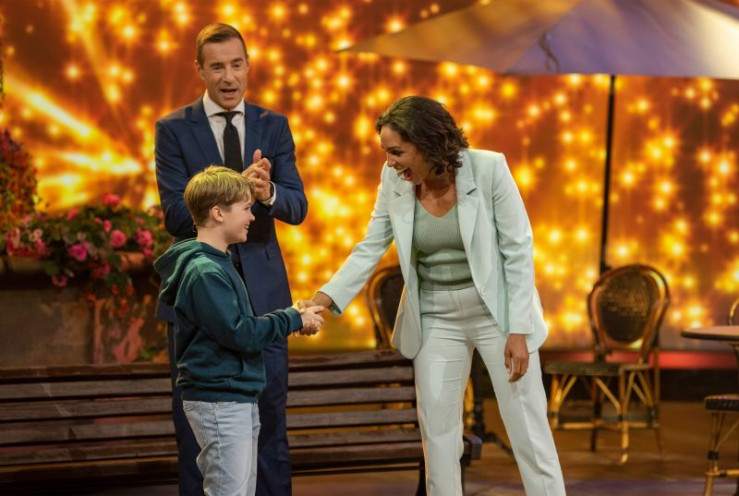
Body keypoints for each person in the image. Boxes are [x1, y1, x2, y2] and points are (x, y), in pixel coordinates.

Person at [308, 96, 566, 495]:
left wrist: (519, 329)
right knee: (439, 437)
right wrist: (324, 298)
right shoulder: (394, 181)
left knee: (527, 429)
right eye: (386, 152)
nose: (389, 162)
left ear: (428, 143)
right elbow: (370, 246)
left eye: (397, 152)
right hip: (435, 315)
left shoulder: (489, 168)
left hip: (497, 314)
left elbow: (518, 250)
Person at [154, 23, 307, 496]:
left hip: (264, 293)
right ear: (199, 70)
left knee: (270, 420)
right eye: (217, 66)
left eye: (236, 65)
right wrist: (234, 190)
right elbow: (175, 214)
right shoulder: (173, 129)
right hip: (201, 297)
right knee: (196, 430)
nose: (228, 76)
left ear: (248, 66)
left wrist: (268, 191)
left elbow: (297, 206)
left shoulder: (273, 125)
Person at [154, 166, 323, 496]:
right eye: (246, 208)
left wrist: (293, 316)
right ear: (218, 213)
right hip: (220, 401)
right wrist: (292, 318)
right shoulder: (204, 272)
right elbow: (240, 333)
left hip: (235, 397)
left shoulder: (219, 263)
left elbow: (238, 326)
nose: (252, 217)